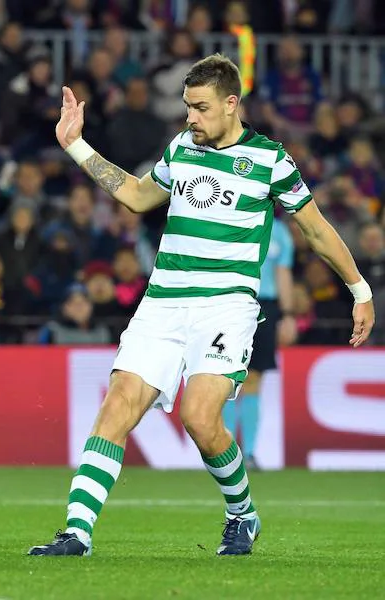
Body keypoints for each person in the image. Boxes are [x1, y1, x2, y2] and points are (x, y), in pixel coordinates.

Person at [29, 54, 375, 558]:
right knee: (117, 403)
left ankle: (243, 513)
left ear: (232, 104)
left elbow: (316, 230)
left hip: (225, 308)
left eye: (200, 108)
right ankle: (76, 533)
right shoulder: (182, 148)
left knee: (200, 417)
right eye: (187, 107)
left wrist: (360, 290)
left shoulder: (271, 160)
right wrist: (75, 145)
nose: (190, 118)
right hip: (162, 303)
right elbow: (138, 196)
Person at [223, 215, 295, 470]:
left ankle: (249, 454)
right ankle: (226, 453)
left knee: (253, 379)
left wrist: (287, 315)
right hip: (231, 302)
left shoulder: (280, 232)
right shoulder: (231, 219)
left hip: (266, 306)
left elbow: (282, 272)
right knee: (227, 380)